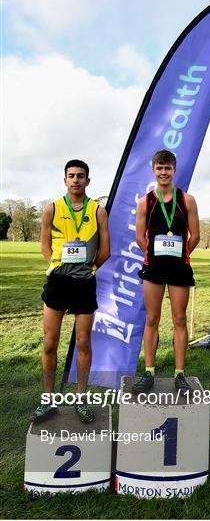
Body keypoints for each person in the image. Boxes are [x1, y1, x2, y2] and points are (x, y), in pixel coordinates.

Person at [31, 160, 110, 423]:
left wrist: (87, 269)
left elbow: (105, 250)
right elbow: (44, 247)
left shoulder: (98, 210)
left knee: (83, 342)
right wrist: (59, 267)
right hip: (58, 282)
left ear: (88, 180)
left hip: (85, 283)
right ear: (64, 180)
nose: (76, 180)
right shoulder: (52, 209)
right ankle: (48, 400)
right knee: (50, 341)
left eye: (81, 176)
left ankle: (81, 398)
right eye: (71, 176)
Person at [133, 150, 200, 396]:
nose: (163, 172)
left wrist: (180, 255)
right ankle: (149, 372)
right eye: (159, 168)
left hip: (180, 269)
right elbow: (140, 238)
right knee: (152, 319)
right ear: (153, 170)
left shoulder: (187, 200)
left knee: (179, 319)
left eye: (168, 168)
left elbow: (196, 236)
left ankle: (179, 374)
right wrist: (154, 255)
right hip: (154, 269)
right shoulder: (145, 202)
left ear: (174, 170)